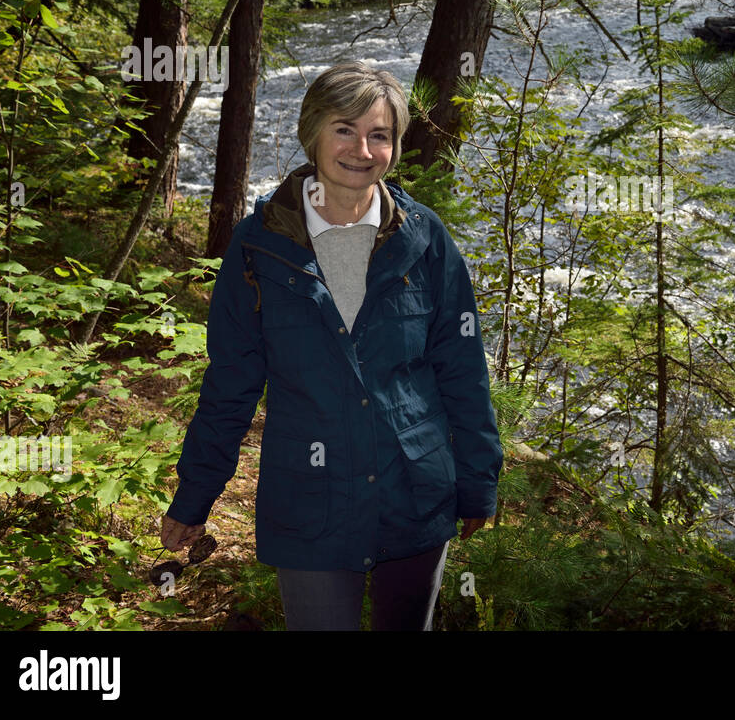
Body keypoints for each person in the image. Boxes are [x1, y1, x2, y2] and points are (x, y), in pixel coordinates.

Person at [159, 60, 502, 630]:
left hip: (414, 492)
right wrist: (196, 495)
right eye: (345, 128)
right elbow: (231, 386)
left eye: (380, 135)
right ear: (312, 131)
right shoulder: (257, 249)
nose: (361, 149)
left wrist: (477, 481)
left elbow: (463, 371)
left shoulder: (425, 240)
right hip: (308, 500)